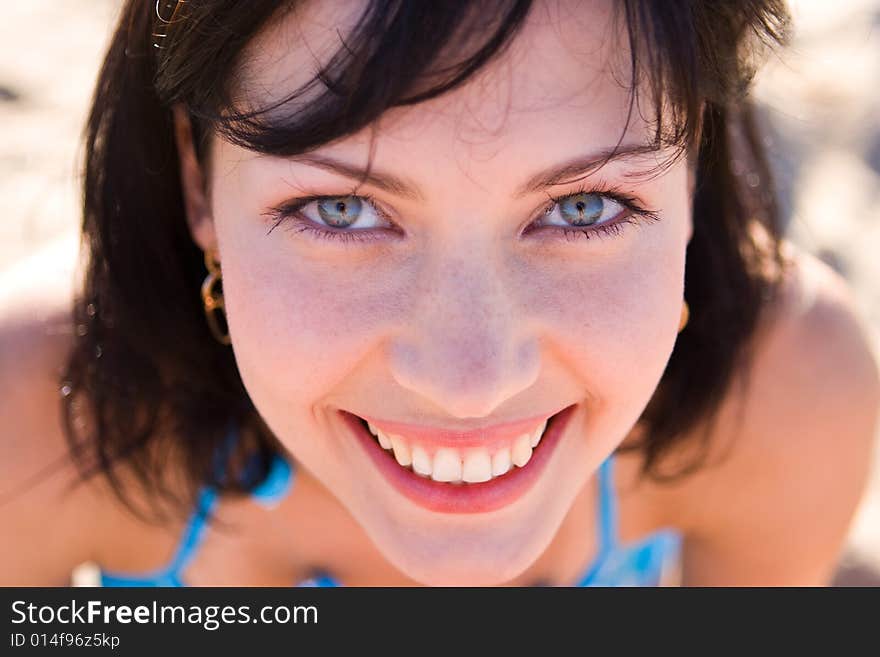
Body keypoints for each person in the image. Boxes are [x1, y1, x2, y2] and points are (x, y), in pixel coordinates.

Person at [1, 0, 878, 587]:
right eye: (341, 210)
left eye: (584, 206)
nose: (470, 382)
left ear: (693, 175)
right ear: (200, 184)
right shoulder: (37, 417)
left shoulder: (790, 393)